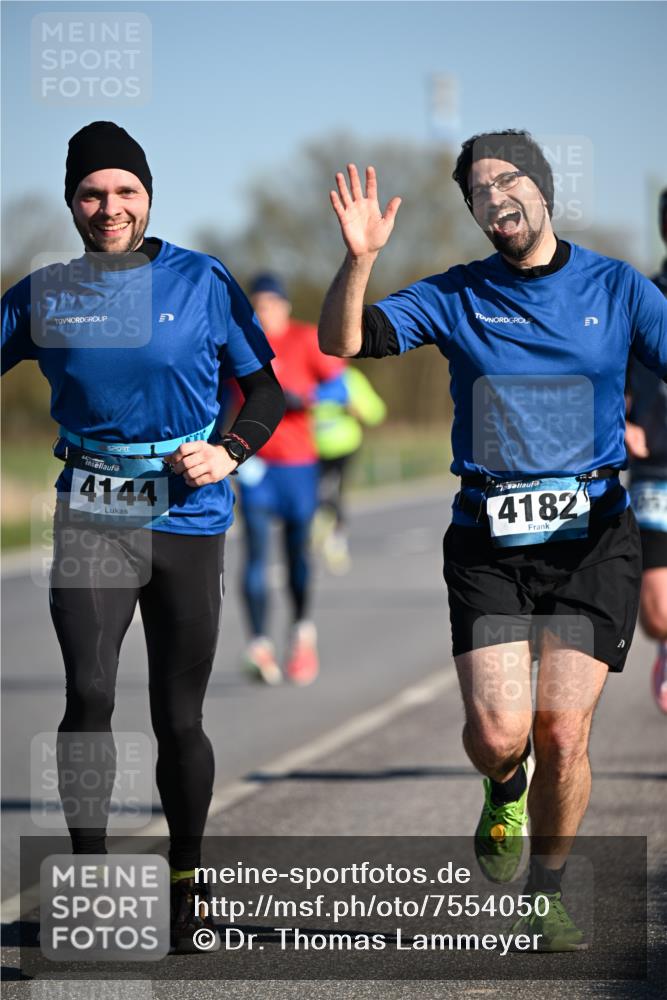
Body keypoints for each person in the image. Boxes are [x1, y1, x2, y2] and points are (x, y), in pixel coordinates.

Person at [318, 131, 667, 951]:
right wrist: (358, 259)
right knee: (501, 736)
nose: (495, 197)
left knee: (562, 731)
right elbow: (343, 341)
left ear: (542, 188)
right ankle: (502, 786)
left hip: (591, 538)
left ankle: (545, 889)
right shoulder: (456, 293)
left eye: (509, 179)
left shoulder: (615, 287)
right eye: (478, 190)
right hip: (488, 539)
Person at [1, 121, 285, 953]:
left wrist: (229, 450)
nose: (109, 206)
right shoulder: (41, 293)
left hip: (189, 517)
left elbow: (264, 391)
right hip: (91, 510)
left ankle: (186, 888)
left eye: (125, 191)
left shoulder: (202, 281)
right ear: (72, 203)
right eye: (92, 192)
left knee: (177, 715)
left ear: (148, 197)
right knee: (88, 694)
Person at [235, 273, 345, 686]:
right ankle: (259, 644)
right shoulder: (239, 342)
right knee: (256, 555)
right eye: (257, 304)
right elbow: (218, 398)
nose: (264, 311)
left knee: (297, 554)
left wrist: (305, 399)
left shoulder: (306, 339)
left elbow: (342, 391)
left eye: (270, 303)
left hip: (299, 466)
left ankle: (301, 632)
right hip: (254, 465)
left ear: (284, 305)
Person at [625, 188, 667, 713]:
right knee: (657, 611)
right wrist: (617, 420)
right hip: (655, 462)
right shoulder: (642, 296)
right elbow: (600, 365)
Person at [312, 365, 387, 573]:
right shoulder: (307, 374)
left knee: (333, 491)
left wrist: (356, 409)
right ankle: (320, 526)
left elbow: (376, 412)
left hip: (343, 447)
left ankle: (336, 538)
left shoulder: (349, 378)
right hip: (310, 449)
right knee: (315, 494)